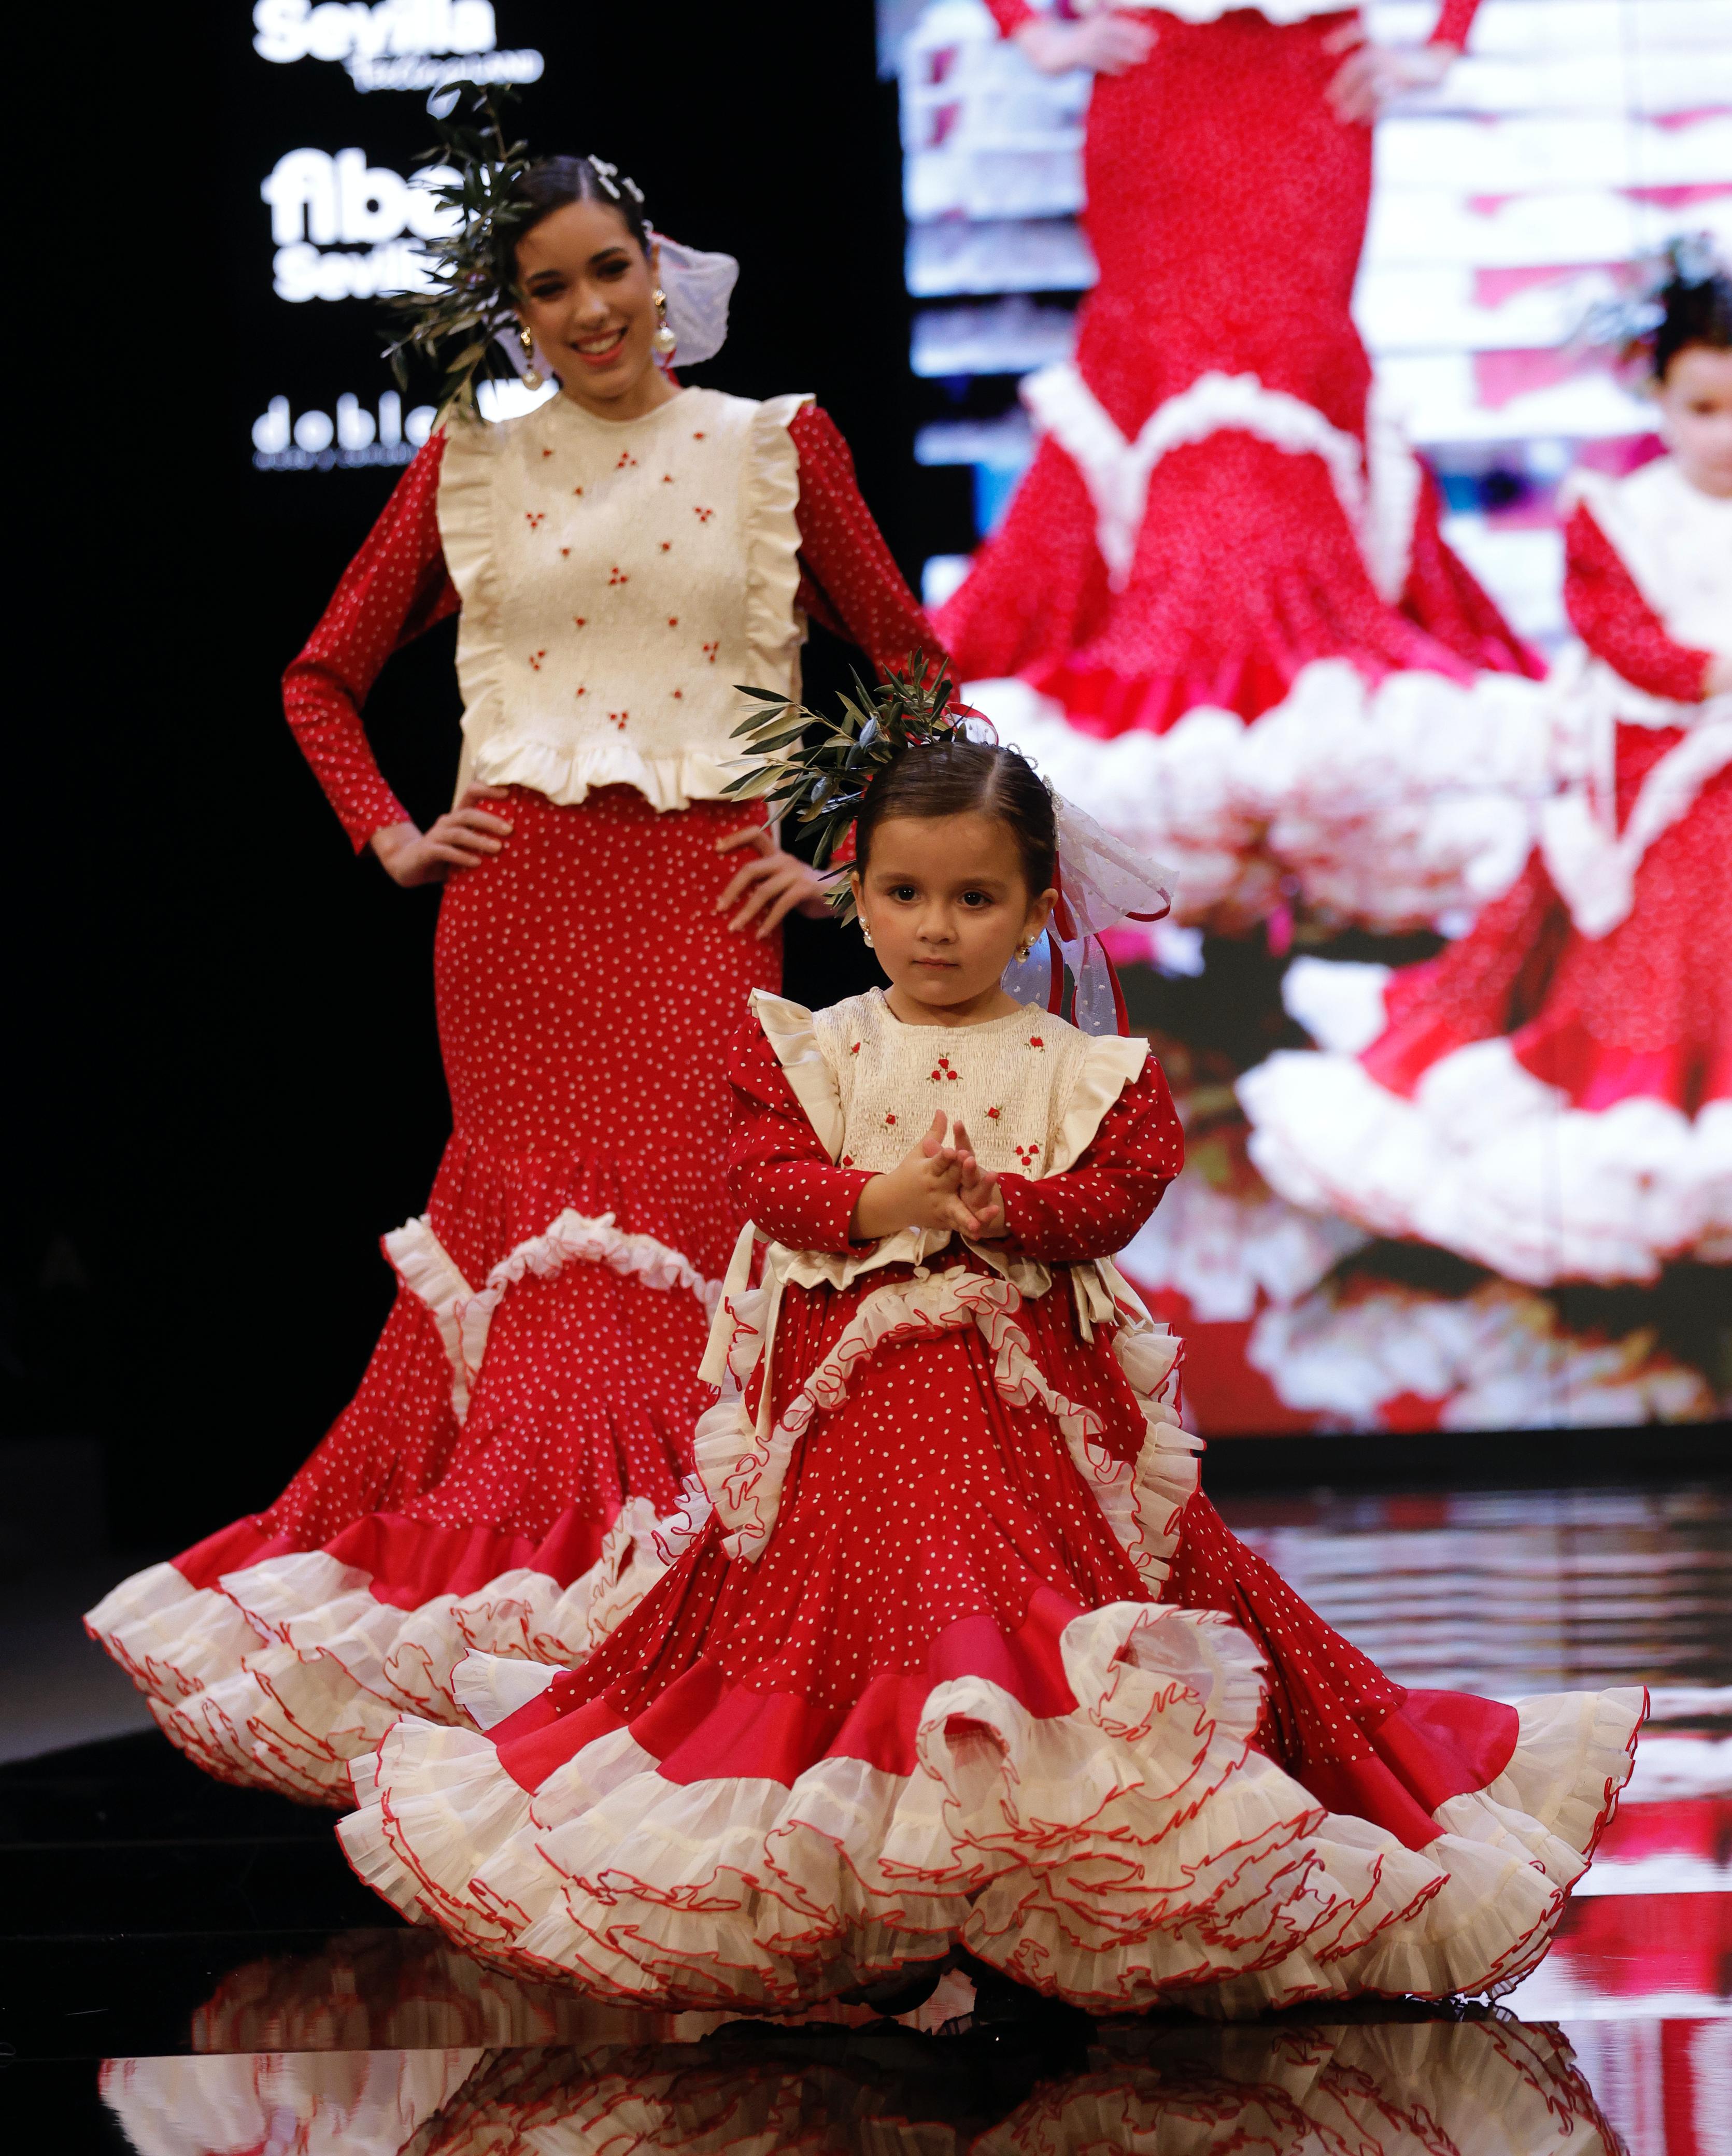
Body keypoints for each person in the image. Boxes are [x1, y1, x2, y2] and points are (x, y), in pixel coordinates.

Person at [338, 721, 1641, 2016]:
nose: (937, 928)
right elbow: (768, 1187)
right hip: (851, 1423)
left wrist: (1009, 1208)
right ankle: (886, 1859)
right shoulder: (809, 1047)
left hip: (1034, 1415)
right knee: (849, 1623)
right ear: (855, 893)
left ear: (1033, 913)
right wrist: (881, 1195)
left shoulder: (1085, 1070)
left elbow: (1126, 1189)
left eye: (975, 899)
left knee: (1040, 1615)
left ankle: (1052, 1841)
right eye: (905, 894)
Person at [86, 144, 941, 1806]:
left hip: (702, 910)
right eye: (546, 288)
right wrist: (388, 837)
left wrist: (839, 867)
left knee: (703, 1250)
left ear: (656, 266)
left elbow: (910, 665)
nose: (586, 310)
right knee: (534, 1284)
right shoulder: (470, 459)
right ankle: (535, 1703)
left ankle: (691, 1677)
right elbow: (320, 675)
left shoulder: (773, 446)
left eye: (606, 270)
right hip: (516, 926)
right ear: (515, 313)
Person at [933, 0, 1549, 931]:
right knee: (1149, 360)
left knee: (1295, 352)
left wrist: (1445, 42)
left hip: (1308, 84)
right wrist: (1032, 31)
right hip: (1156, 77)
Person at [1241, 256, 1732, 1285]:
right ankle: (1637, 1098)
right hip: (1655, 755)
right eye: (1703, 407)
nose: (1723, 433)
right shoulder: (1621, 511)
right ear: (1660, 398)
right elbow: (1626, 637)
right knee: (1690, 873)